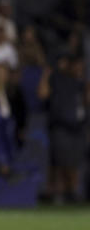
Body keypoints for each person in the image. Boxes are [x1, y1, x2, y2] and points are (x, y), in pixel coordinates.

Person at [38, 55, 88, 205]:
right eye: (77, 66)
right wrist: (47, 74)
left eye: (82, 66)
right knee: (60, 161)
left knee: (74, 161)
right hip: (60, 126)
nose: (80, 69)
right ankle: (55, 192)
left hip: (78, 128)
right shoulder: (57, 79)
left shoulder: (81, 84)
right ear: (69, 65)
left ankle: (71, 192)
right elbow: (42, 94)